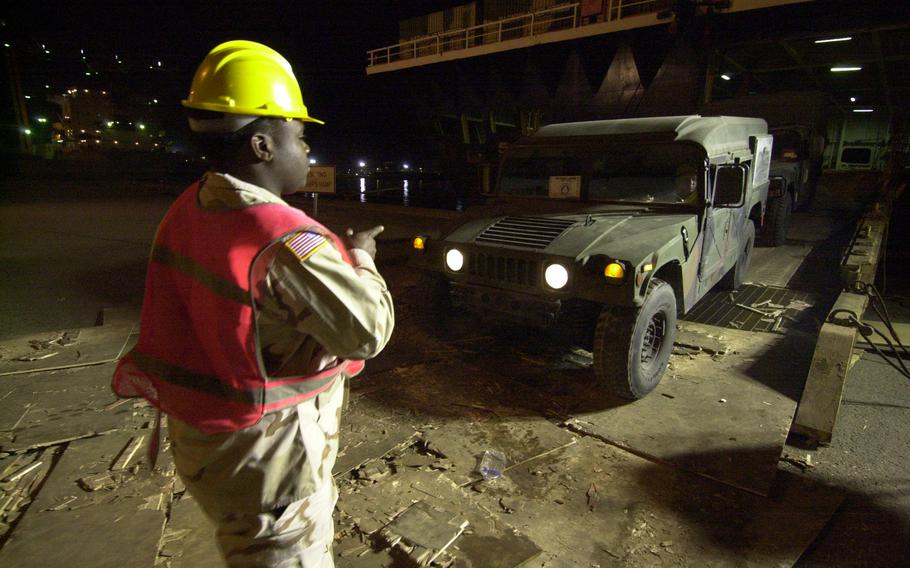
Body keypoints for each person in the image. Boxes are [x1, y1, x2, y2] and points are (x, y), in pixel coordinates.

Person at [111, 40, 394, 567]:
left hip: (209, 448)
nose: (307, 150)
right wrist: (361, 257)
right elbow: (369, 331)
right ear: (263, 145)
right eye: (300, 136)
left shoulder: (191, 208)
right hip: (270, 469)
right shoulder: (284, 240)